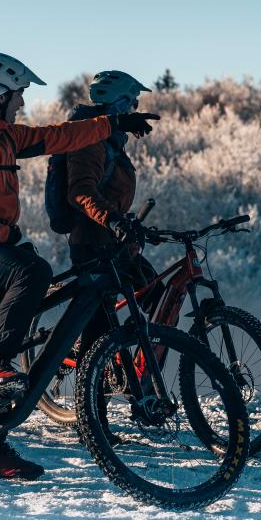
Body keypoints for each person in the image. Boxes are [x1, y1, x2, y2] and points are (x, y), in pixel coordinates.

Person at [0, 52, 159, 479]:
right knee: (31, 272)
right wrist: (5, 237)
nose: (23, 101)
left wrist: (114, 124)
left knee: (18, 295)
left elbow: (59, 137)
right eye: (20, 93)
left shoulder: (5, 136)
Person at [63, 71, 165, 407]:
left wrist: (127, 223)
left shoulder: (110, 141)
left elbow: (111, 194)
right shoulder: (88, 139)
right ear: (117, 102)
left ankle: (144, 382)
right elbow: (81, 192)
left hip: (116, 245)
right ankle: (92, 415)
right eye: (131, 101)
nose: (135, 107)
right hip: (92, 245)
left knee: (161, 299)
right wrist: (113, 220)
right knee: (99, 328)